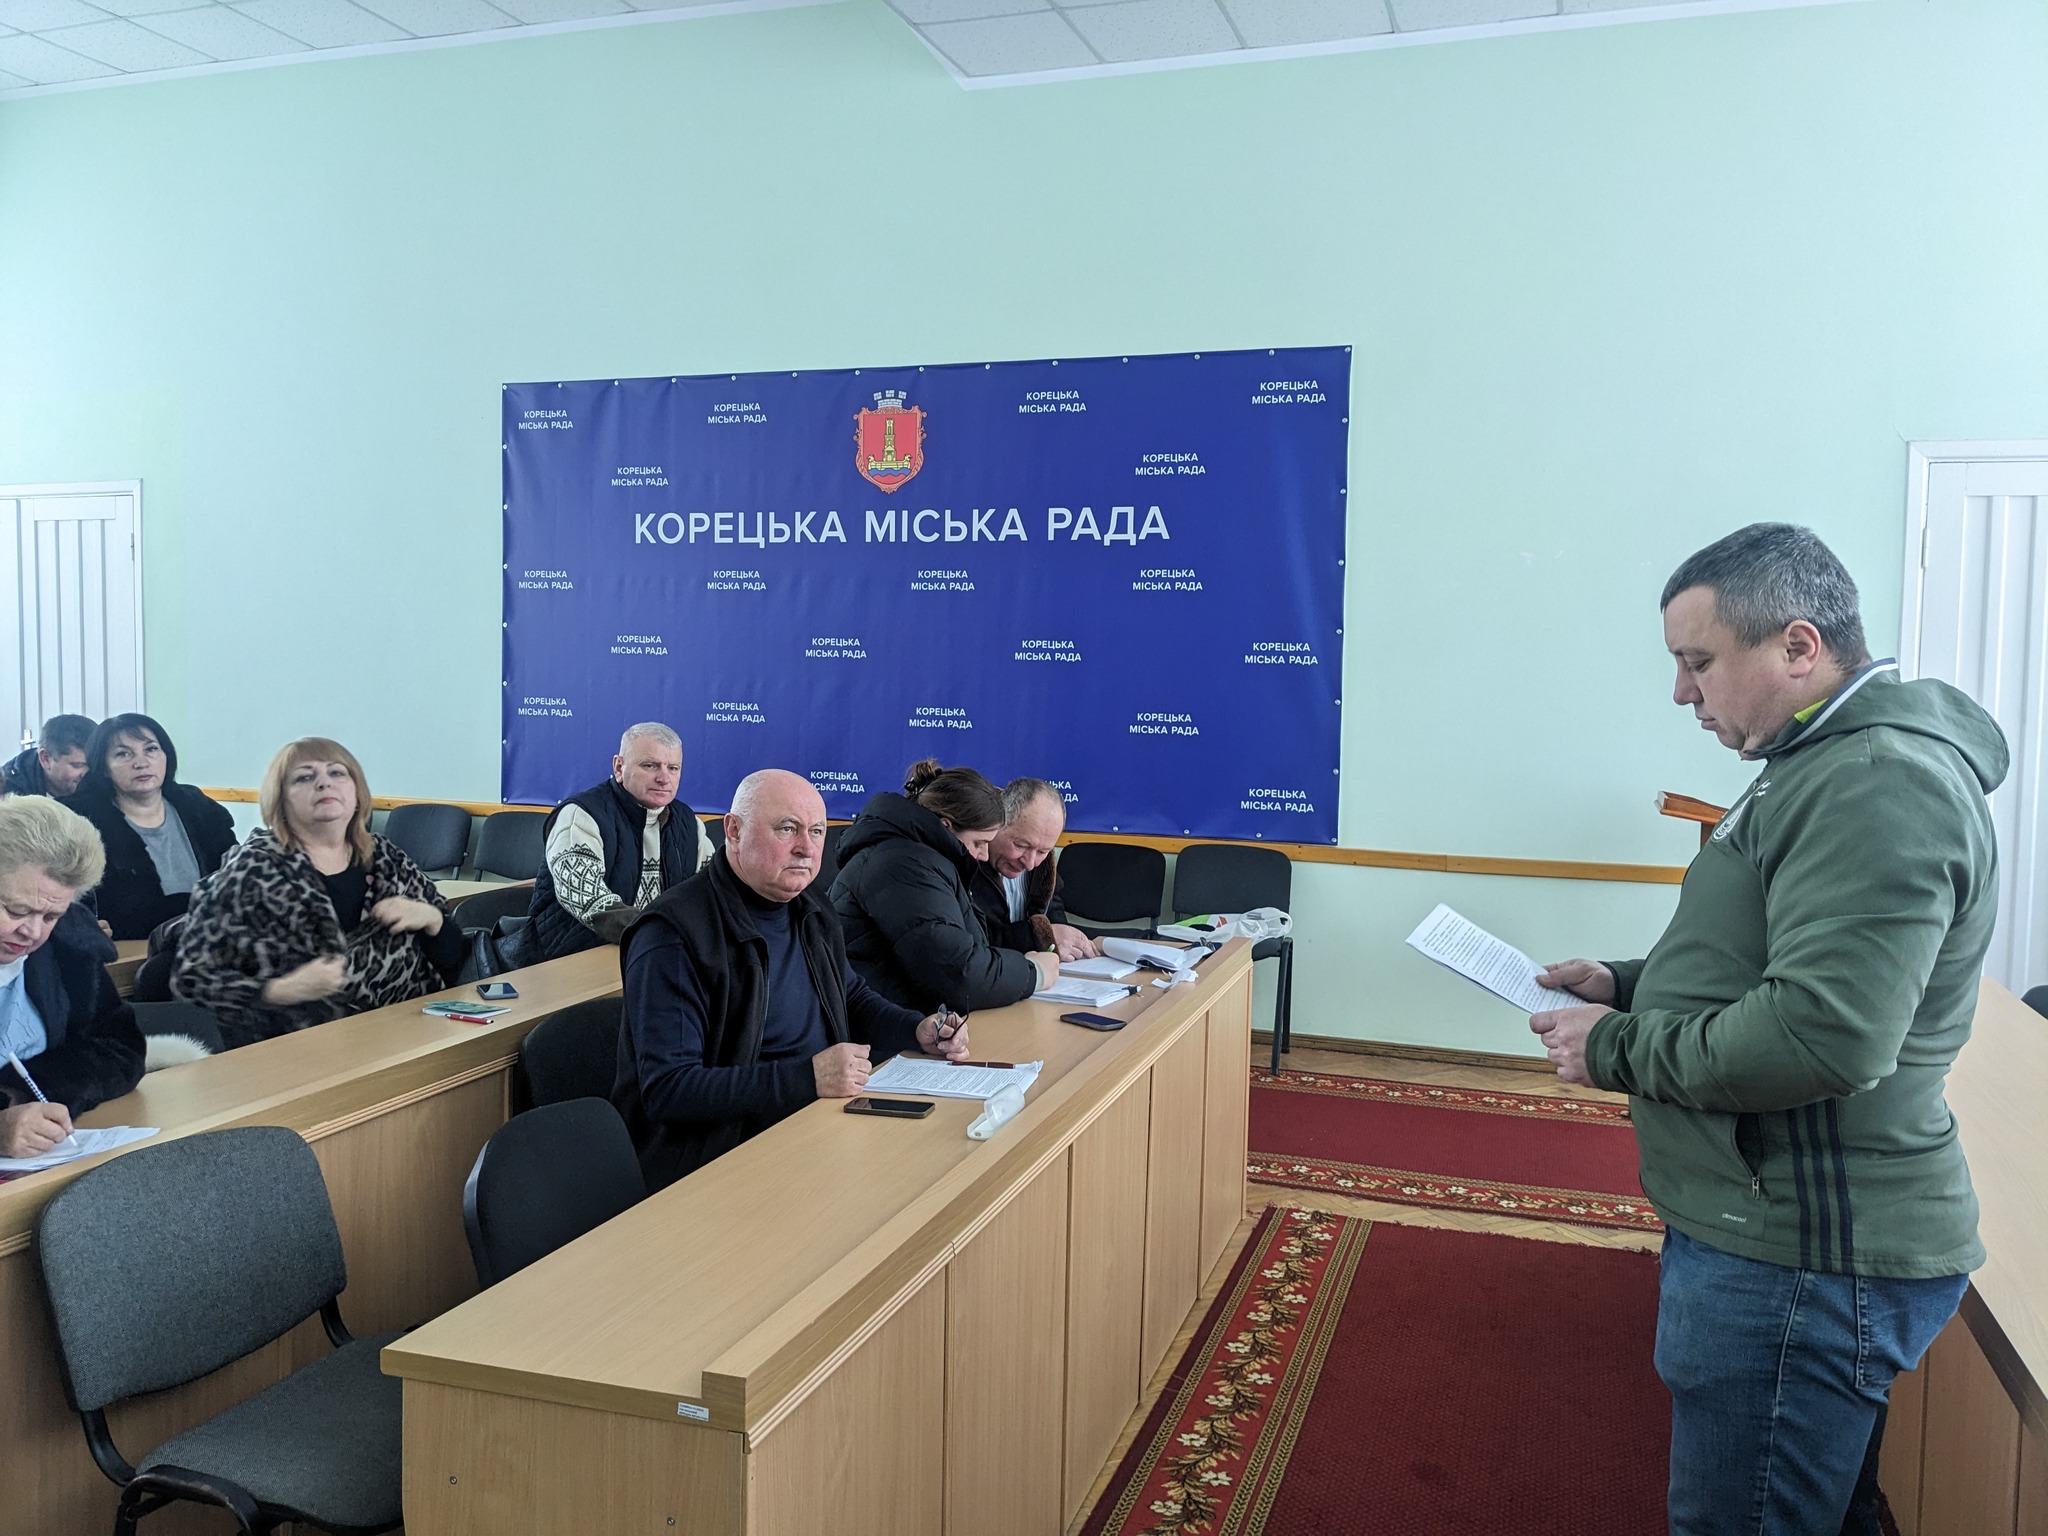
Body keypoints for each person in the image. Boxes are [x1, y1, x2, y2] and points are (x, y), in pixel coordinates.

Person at [1530, 524, 1999, 1536]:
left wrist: (1611, 1046)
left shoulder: (1875, 779)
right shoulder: (1817, 759)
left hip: (1799, 1255)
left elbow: (1821, 1036)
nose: (1681, 694)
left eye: (1697, 662)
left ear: (1796, 646)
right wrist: (1626, 985)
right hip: (1773, 1229)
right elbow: (1764, 957)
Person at [615, 768, 971, 1190]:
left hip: (817, 1117)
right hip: (720, 1155)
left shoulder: (811, 906)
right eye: (787, 829)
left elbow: (849, 995)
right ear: (733, 831)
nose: (806, 848)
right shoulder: (672, 933)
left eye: (817, 831)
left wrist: (916, 1029)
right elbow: (670, 1090)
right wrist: (808, 1078)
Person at [172, 738, 466, 1049]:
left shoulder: (387, 858)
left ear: (357, 792)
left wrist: (431, 918)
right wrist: (280, 990)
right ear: (280, 800)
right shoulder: (250, 870)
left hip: (407, 1034)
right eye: (304, 777)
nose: (324, 783)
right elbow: (191, 980)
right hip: (298, 1049)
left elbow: (454, 960)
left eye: (337, 773)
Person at [831, 759, 1059, 1015]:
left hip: (909, 1018)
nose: (984, 855)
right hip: (883, 1027)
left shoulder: (925, 860)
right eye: (979, 843)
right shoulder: (905, 866)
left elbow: (969, 949)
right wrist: (1033, 973)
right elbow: (958, 975)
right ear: (946, 826)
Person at [0, 796, 146, 1158]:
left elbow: (119, 1048)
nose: (33, 932)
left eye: (51, 916)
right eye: (16, 910)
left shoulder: (69, 949)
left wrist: (26, 1094)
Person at [519, 723, 714, 963]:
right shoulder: (581, 816)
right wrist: (661, 933)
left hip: (651, 953)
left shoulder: (689, 824)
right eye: (650, 765)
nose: (664, 778)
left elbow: (712, 892)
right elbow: (590, 901)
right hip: (568, 957)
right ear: (619, 767)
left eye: (673, 768)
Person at [69, 713, 237, 940]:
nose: (141, 763)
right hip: (127, 950)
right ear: (104, 767)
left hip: (208, 943)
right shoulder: (80, 821)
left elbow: (235, 881)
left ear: (166, 756)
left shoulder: (199, 810)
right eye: (123, 754)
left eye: (151, 749)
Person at [969, 776, 1099, 963]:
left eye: (1043, 851)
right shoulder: (966, 865)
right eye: (1021, 845)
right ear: (997, 824)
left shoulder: (1045, 869)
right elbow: (973, 943)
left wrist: (1063, 942)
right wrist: (1039, 937)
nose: (1030, 863)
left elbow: (1055, 922)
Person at [1, 714, 96, 800]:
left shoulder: (100, 781)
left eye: (93, 764)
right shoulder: (7, 795)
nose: (86, 773)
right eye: (77, 765)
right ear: (45, 759)